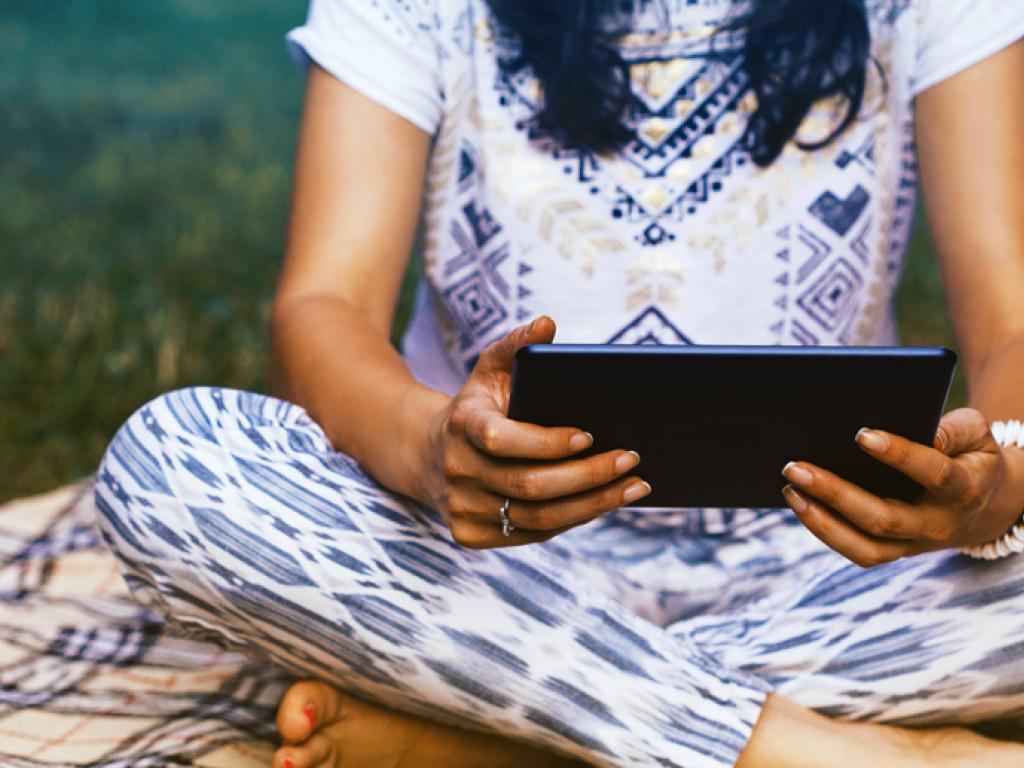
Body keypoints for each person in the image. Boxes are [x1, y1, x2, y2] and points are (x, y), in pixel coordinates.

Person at [94, 1, 1024, 766]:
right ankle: (832, 751)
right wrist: (429, 447)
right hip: (485, 555)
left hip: (833, 571)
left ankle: (493, 730)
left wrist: (993, 497)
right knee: (169, 466)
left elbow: (1013, 326)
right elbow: (321, 307)